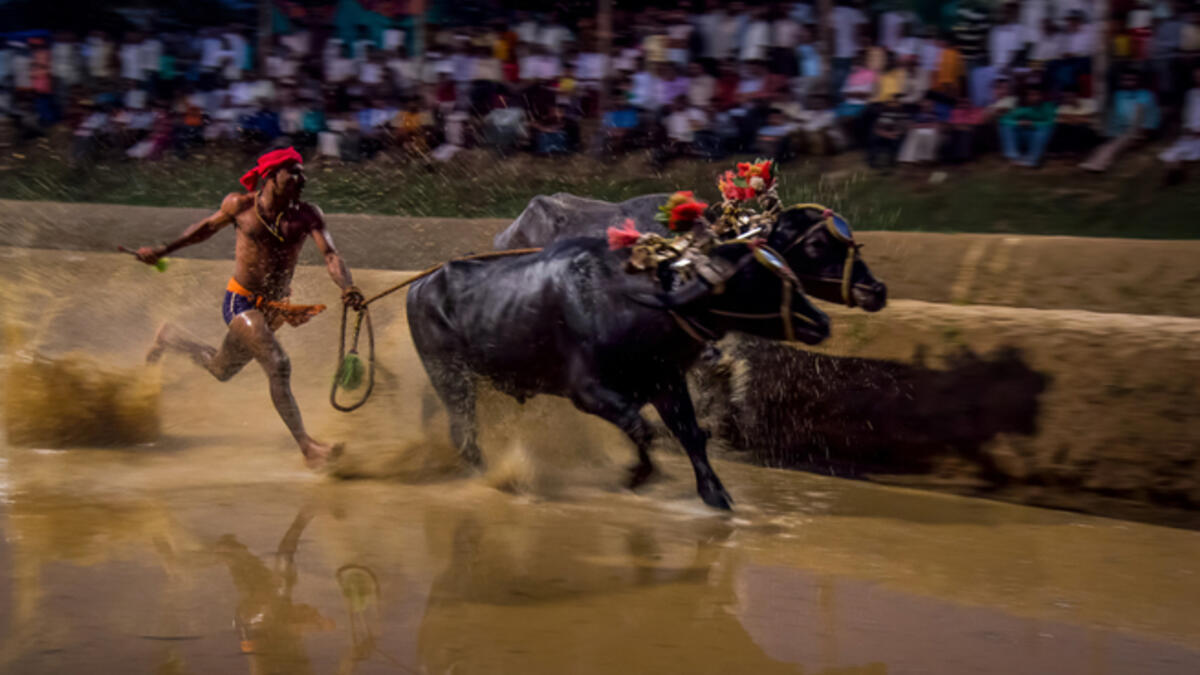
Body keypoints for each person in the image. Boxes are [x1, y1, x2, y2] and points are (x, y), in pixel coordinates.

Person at [133, 148, 362, 469]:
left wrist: (347, 287)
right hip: (240, 300)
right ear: (270, 176)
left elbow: (331, 256)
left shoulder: (308, 214)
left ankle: (171, 338)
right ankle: (309, 448)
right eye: (292, 172)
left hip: (274, 307)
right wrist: (162, 250)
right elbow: (203, 230)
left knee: (221, 369)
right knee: (278, 363)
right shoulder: (239, 206)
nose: (302, 178)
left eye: (302, 172)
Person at [1159, 66, 1200, 182]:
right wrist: (1187, 128)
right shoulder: (1191, 94)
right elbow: (1187, 117)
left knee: (1188, 150)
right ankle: (1173, 172)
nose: (1198, 79)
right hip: (1190, 133)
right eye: (1196, 77)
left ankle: (1176, 172)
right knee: (1175, 153)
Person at [999, 86, 1057, 167]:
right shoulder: (1023, 108)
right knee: (1006, 126)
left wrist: (1033, 124)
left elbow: (1051, 123)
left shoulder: (1048, 106)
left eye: (1036, 95)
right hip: (1024, 136)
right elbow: (1003, 120)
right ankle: (1013, 157)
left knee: (1045, 129)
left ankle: (1032, 159)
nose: (1034, 97)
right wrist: (1018, 123)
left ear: (1041, 96)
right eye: (1031, 95)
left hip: (1039, 137)